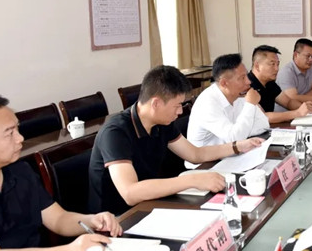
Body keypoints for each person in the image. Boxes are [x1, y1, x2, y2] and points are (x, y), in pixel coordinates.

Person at [0, 94, 121, 251]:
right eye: (9, 133)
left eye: (17, 129)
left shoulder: (19, 171)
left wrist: (92, 220)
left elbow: (58, 219)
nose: (20, 138)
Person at [88, 65, 264, 215]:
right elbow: (130, 193)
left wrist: (237, 146)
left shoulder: (162, 122)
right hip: (115, 220)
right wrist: (193, 180)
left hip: (149, 204)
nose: (180, 112)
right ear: (156, 103)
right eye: (177, 105)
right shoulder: (115, 132)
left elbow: (195, 154)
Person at [187, 53, 269, 146]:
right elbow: (234, 140)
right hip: (208, 155)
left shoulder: (238, 94)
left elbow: (263, 124)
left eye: (246, 75)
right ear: (224, 83)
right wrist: (250, 104)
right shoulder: (207, 103)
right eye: (242, 78)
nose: (248, 81)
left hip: (232, 152)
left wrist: (241, 131)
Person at [247, 45, 312, 123]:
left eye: (277, 64)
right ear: (257, 66)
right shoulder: (246, 86)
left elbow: (288, 102)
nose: (277, 69)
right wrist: (297, 113)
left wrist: (305, 107)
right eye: (272, 64)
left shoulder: (270, 83)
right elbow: (262, 117)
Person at [274, 38, 312, 112]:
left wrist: (299, 98)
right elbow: (291, 99)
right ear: (296, 55)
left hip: (307, 111)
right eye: (308, 56)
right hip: (287, 114)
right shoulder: (286, 72)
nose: (311, 60)